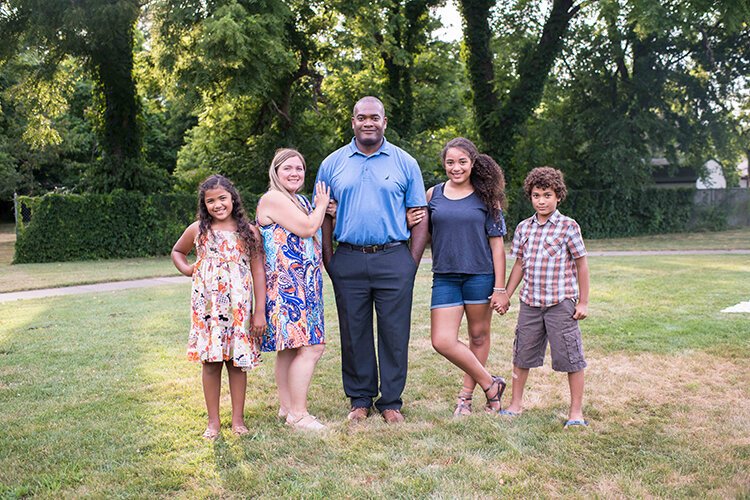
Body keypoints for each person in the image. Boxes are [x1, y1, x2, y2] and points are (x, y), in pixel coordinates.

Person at [316, 96, 429, 424]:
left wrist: (411, 263)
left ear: (384, 122)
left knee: (395, 332)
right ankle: (360, 399)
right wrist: (330, 260)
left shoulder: (404, 162)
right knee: (354, 332)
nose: (368, 122)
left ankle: (391, 401)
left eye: (374, 117)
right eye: (362, 117)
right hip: (348, 258)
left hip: (394, 257)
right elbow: (322, 215)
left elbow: (419, 216)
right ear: (352, 121)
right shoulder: (333, 164)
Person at [408, 137, 508, 417]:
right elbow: (422, 233)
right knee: (442, 340)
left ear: (473, 163)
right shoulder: (433, 195)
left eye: (462, 161)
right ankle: (491, 384)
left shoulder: (487, 196)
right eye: (450, 162)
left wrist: (500, 287)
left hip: (480, 275)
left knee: (478, 336)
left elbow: (497, 245)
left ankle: (465, 398)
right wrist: (407, 224)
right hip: (445, 277)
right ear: (444, 163)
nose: (456, 167)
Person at [171, 174, 267, 440]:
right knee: (211, 363)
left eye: (222, 198)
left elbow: (258, 272)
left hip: (239, 310)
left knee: (237, 363)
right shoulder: (198, 231)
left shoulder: (249, 232)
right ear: (204, 204)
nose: (217, 205)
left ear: (232, 199)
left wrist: (259, 312)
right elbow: (177, 251)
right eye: (210, 201)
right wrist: (188, 269)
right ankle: (213, 422)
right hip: (209, 310)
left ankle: (238, 420)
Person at [500, 166, 590, 428]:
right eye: (537, 195)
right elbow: (519, 264)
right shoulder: (523, 228)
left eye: (547, 195)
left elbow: (581, 264)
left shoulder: (568, 226)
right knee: (521, 354)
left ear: (558, 196)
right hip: (530, 303)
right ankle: (515, 406)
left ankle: (576, 413)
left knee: (571, 357)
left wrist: (583, 301)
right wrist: (506, 294)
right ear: (530, 196)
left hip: (560, 304)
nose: (541, 200)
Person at [256, 149, 331, 431]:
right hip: (288, 288)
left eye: (299, 168)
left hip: (306, 286)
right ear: (275, 172)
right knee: (313, 346)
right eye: (288, 168)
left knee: (289, 349)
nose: (295, 173)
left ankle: (286, 407)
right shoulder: (273, 198)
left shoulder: (298, 199)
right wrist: (322, 204)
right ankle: (298, 415)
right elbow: (308, 227)